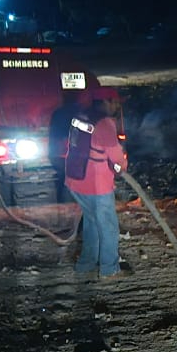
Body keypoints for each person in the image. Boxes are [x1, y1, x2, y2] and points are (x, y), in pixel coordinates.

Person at [65, 86, 128, 279]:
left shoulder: (82, 116)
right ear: (106, 102)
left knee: (92, 222)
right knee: (108, 226)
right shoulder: (105, 123)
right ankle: (110, 269)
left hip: (75, 181)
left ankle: (86, 265)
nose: (117, 106)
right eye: (115, 102)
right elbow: (116, 157)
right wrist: (122, 166)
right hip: (96, 185)